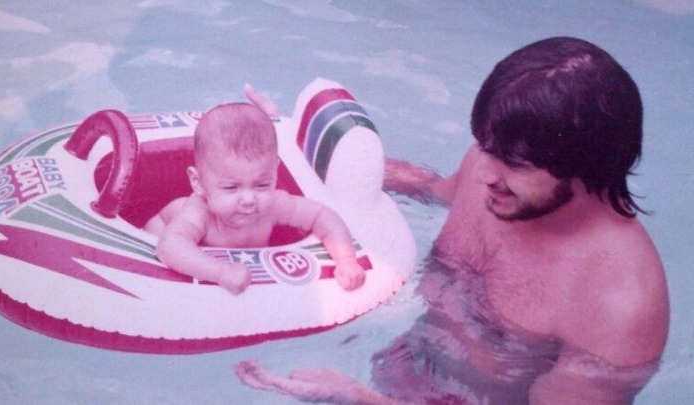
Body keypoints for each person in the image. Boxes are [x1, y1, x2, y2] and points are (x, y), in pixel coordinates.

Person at [233, 37, 670, 404]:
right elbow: (430, 191)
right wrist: (300, 147)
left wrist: (359, 399)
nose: (487, 173)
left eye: (514, 163)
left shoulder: (618, 306)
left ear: (587, 168)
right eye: (486, 147)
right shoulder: (492, 167)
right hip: (394, 364)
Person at [146, 98, 365, 294]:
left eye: (261, 184)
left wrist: (346, 260)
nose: (250, 199)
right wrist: (220, 272)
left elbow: (322, 215)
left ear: (275, 172)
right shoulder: (197, 212)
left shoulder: (274, 205)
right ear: (198, 182)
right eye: (231, 188)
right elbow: (169, 247)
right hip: (160, 234)